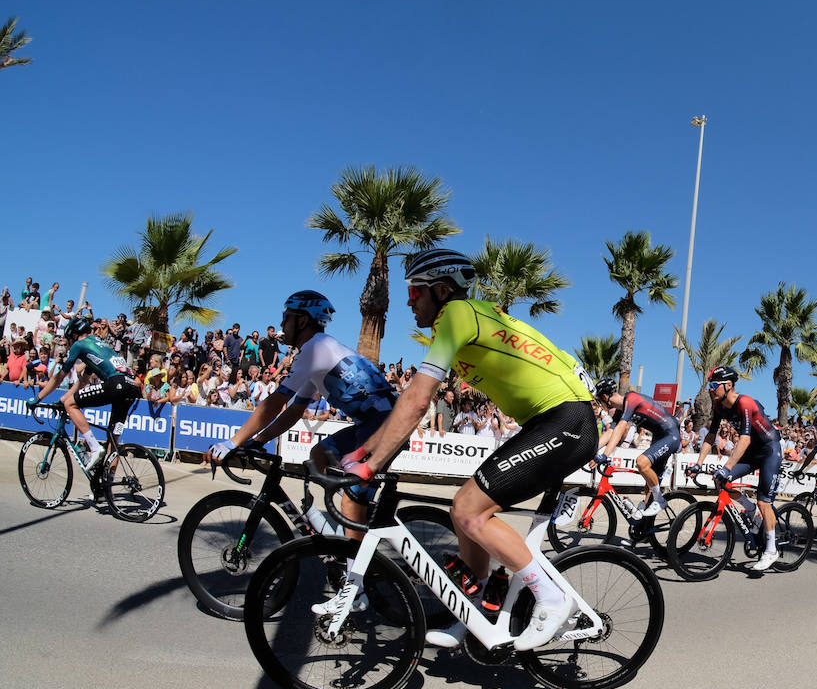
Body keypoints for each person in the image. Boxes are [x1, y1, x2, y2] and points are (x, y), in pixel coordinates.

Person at [341, 249, 599, 651]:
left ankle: (551, 600)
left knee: (469, 510)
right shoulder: (465, 317)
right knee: (461, 514)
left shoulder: (456, 315)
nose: (409, 301)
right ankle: (476, 613)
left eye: (414, 291)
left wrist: (371, 464)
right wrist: (366, 452)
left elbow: (418, 400)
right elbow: (410, 402)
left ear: (442, 291)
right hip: (551, 420)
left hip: (566, 420)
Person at [207, 291, 397, 590]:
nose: (282, 323)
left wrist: (234, 442)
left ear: (303, 321)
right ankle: (343, 529)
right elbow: (294, 410)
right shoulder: (318, 352)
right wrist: (259, 440)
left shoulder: (314, 348)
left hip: (384, 426)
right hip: (372, 423)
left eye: (286, 318)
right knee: (317, 456)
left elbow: (273, 403)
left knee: (351, 497)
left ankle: (354, 586)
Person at [686, 366, 785, 571]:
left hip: (769, 449)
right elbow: (711, 436)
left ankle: (771, 550)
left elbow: (745, 439)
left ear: (728, 385)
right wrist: (698, 463)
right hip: (752, 451)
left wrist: (727, 466)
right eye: (710, 385)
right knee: (720, 480)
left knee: (764, 502)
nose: (711, 389)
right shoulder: (718, 406)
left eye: (714, 385)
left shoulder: (745, 402)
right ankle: (749, 509)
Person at [24, 316, 141, 470]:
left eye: (69, 339)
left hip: (116, 383)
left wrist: (38, 398)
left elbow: (59, 377)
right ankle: (108, 483)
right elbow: (83, 381)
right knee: (113, 442)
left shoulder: (79, 345)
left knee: (70, 404)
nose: (69, 343)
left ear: (74, 335)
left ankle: (94, 447)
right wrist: (63, 399)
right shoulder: (98, 344)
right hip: (131, 386)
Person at [590, 377, 682, 519]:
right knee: (649, 484)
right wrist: (592, 451)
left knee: (641, 462)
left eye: (599, 401)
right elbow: (610, 432)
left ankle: (660, 500)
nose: (599, 405)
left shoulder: (631, 399)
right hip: (660, 437)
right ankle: (643, 526)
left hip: (671, 435)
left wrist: (605, 455)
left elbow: (620, 428)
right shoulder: (621, 409)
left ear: (605, 397)